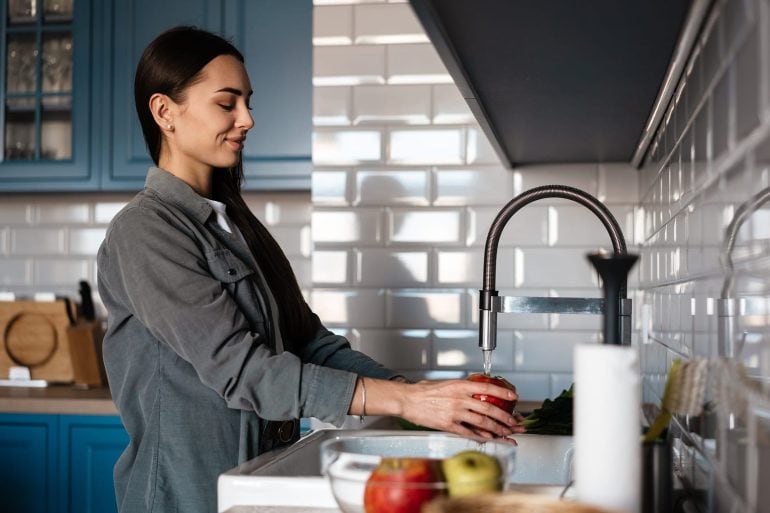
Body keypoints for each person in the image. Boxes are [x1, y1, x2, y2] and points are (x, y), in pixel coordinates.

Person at [97, 26, 523, 513]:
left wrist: (420, 398)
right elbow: (245, 373)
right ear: (164, 112)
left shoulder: (236, 226)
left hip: (257, 481)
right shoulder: (146, 232)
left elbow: (308, 342)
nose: (248, 119)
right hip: (184, 496)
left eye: (249, 102)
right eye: (227, 103)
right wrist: (406, 404)